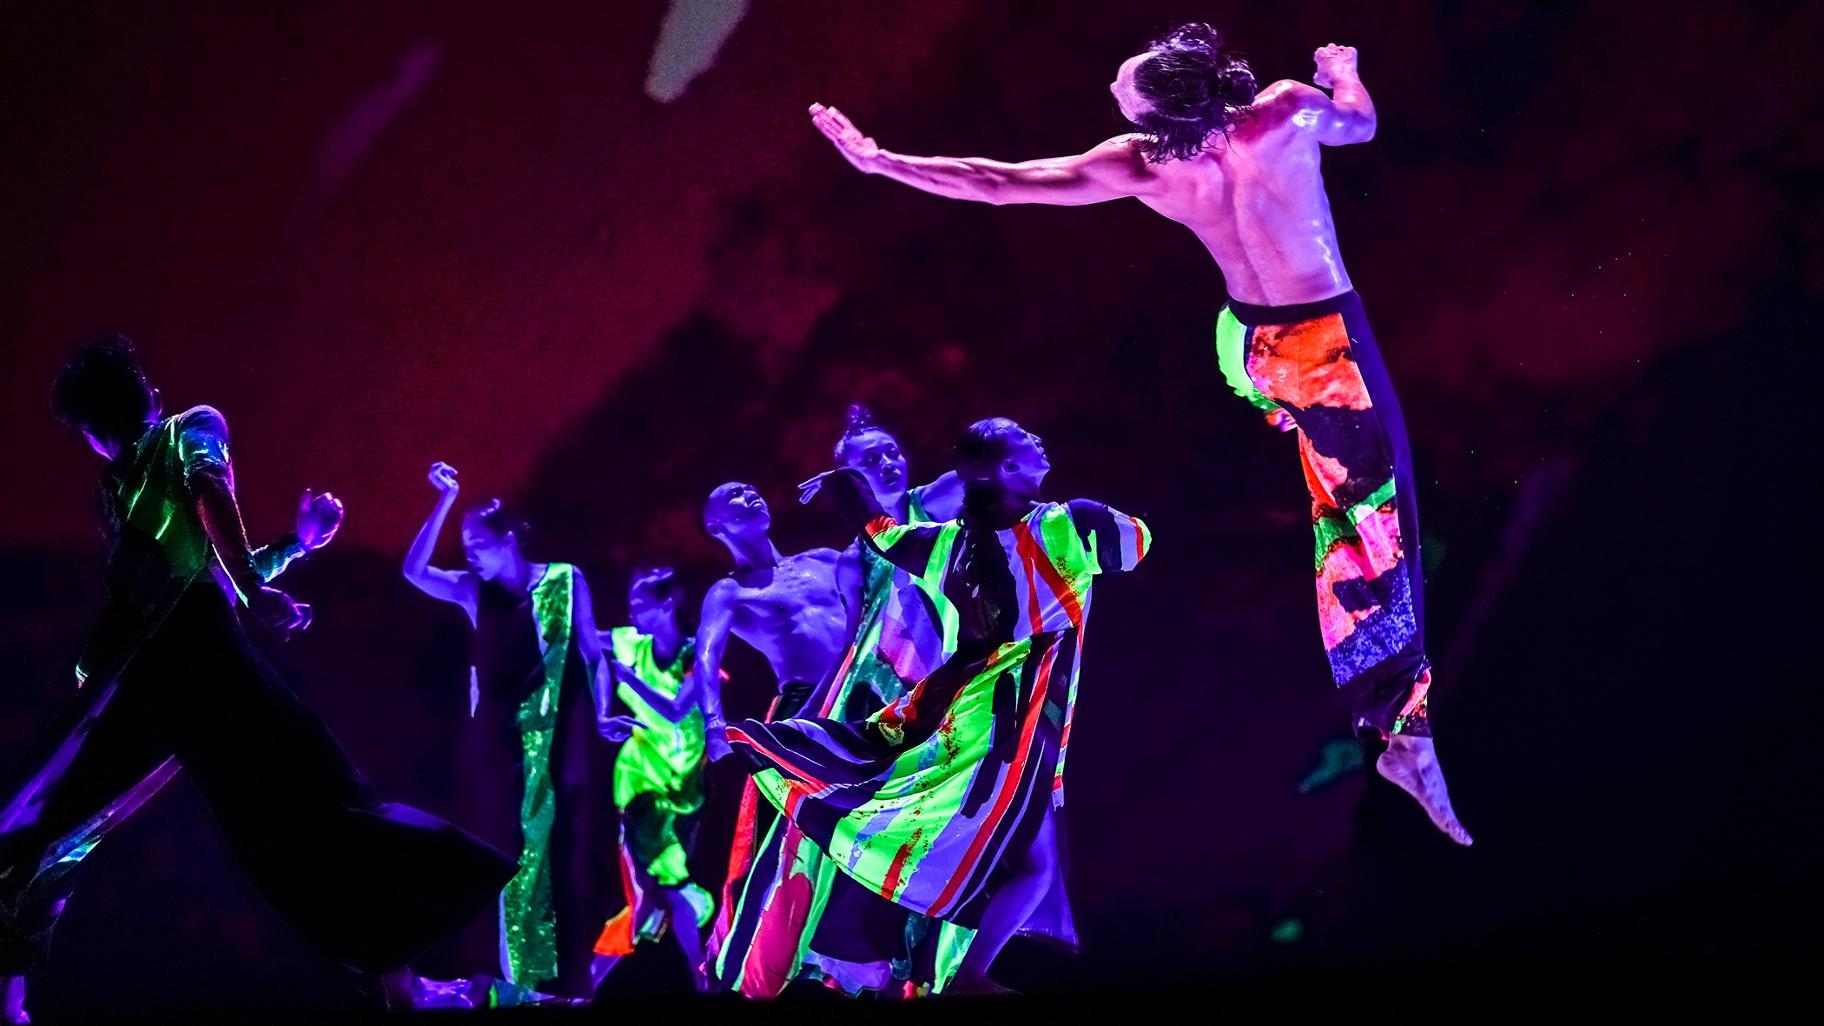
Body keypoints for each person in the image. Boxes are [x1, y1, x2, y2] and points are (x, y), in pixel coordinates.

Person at [807, 24, 1469, 844]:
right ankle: (1402, 728)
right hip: (1323, 348)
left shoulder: (1148, 163)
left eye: (1125, 89)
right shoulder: (1286, 113)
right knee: (1372, 519)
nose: (1113, 97)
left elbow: (1000, 185)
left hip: (1253, 347)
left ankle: (1271, 405)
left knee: (1317, 449)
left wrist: (884, 163)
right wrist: (1346, 71)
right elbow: (1359, 124)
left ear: (1169, 106)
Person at [0, 335, 514, 1023]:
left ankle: (9, 1002)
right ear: (147, 390)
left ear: (95, 431)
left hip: (139, 682)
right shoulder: (190, 431)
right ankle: (404, 984)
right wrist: (256, 586)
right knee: (322, 803)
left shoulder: (120, 482)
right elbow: (208, 517)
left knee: (58, 824)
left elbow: (190, 564)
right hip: (195, 664)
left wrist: (287, 553)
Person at [729, 418, 1151, 993]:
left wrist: (844, 488)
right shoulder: (1065, 523)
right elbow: (1135, 544)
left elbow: (881, 530)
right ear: (1004, 470)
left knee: (1030, 862)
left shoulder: (947, 545)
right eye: (1026, 439)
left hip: (968, 704)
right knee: (1027, 860)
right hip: (1016, 715)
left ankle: (963, 974)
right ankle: (955, 974)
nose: (1039, 440)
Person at [403, 461, 633, 1003]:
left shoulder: (564, 580)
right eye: (465, 544)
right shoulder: (470, 590)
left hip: (555, 738)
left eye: (477, 542)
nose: (469, 554)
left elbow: (592, 655)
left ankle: (550, 978)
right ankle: (513, 975)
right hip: (497, 744)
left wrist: (603, 714)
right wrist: (444, 501)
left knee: (556, 848)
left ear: (508, 540)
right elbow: (415, 571)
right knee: (507, 849)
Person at [587, 567, 715, 992]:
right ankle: (696, 974)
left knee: (658, 892)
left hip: (684, 785)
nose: (632, 611)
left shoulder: (699, 653)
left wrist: (626, 678)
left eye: (641, 603)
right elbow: (586, 639)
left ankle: (596, 980)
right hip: (641, 777)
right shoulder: (628, 643)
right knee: (657, 884)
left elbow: (678, 710)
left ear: (668, 604)